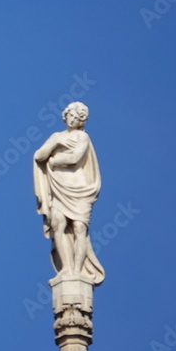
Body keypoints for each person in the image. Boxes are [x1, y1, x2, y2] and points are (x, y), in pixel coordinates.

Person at [33, 101, 104, 283]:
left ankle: (78, 271)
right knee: (58, 223)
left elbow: (76, 157)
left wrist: (56, 160)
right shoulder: (57, 136)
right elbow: (39, 156)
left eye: (76, 117)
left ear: (81, 120)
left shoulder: (82, 137)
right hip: (59, 186)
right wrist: (54, 143)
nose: (72, 119)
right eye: (70, 115)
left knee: (80, 228)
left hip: (79, 188)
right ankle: (66, 268)